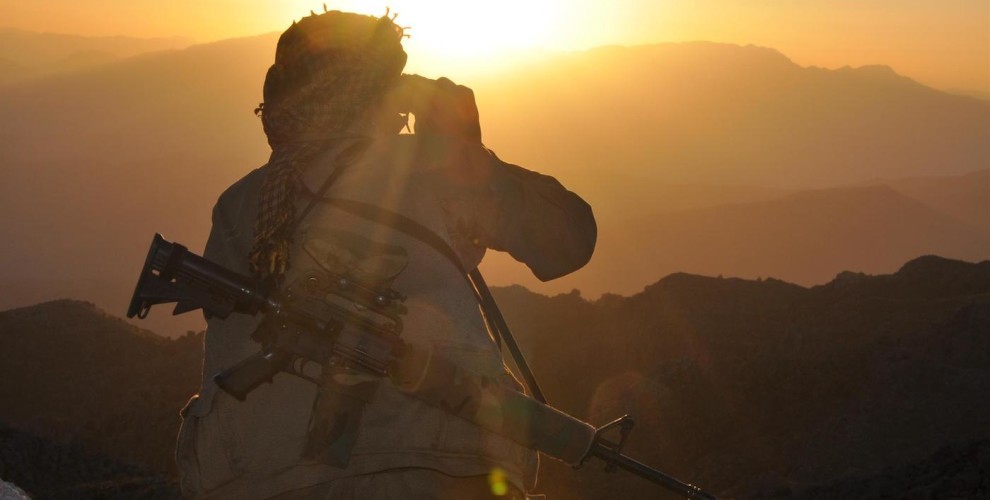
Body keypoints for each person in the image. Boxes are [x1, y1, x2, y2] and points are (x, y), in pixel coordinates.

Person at [175, 10, 596, 499]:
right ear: (384, 89)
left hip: (252, 478)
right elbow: (568, 241)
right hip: (437, 470)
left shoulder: (242, 202)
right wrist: (464, 148)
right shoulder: (432, 166)